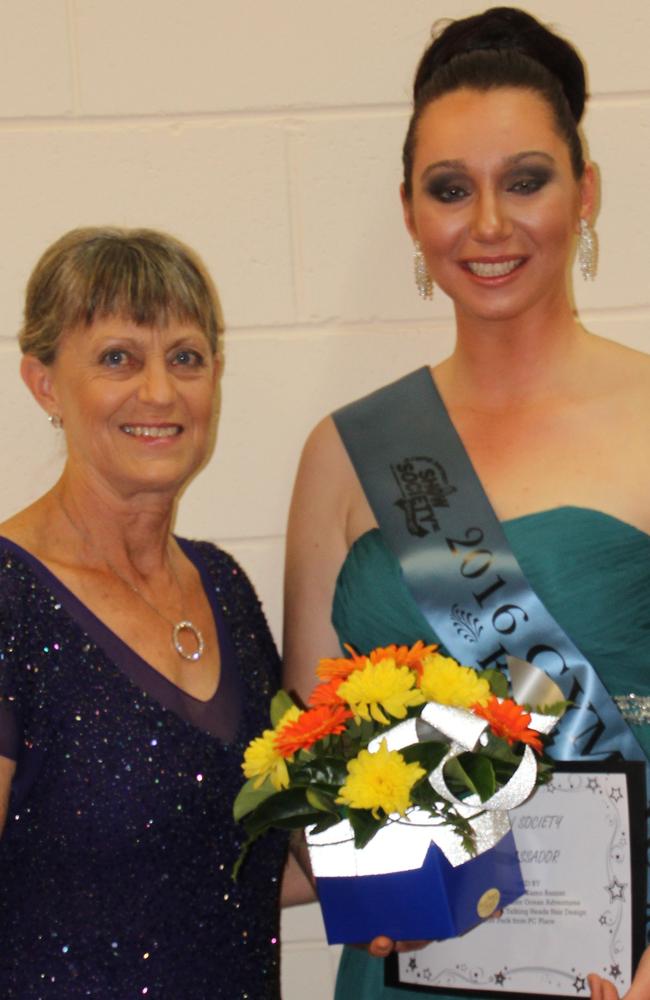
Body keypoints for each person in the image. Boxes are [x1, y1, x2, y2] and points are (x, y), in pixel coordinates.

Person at [283, 8, 649, 1000]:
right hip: (402, 965)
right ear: (408, 211)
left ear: (584, 193)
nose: (487, 224)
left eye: (524, 179)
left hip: (619, 965)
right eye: (450, 189)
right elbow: (312, 757)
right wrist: (356, 876)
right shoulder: (345, 453)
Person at [0, 227, 287, 998]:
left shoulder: (224, 586)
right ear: (44, 383)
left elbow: (255, 859)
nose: (160, 392)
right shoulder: (9, 600)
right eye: (118, 357)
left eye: (186, 358)